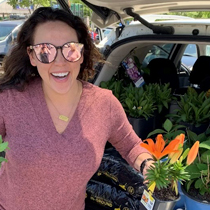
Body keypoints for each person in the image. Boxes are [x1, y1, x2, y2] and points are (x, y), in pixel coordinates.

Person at [0, 7, 153, 210]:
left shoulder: (104, 104)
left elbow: (131, 146)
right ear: (32, 56)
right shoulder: (9, 100)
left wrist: (147, 165)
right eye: (45, 51)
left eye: (70, 49)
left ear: (81, 54)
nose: (60, 62)